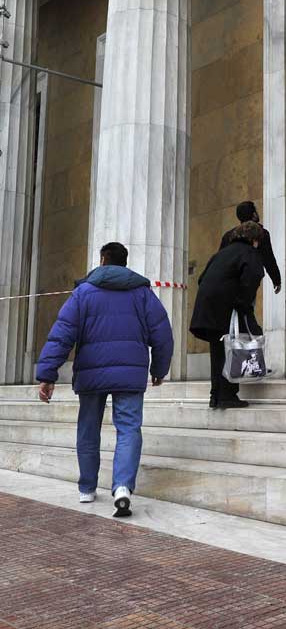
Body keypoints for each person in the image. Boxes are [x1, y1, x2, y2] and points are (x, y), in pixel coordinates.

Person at [36, 242, 174, 518]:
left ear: (102, 260)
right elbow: (163, 334)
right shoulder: (142, 294)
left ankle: (87, 488)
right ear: (124, 262)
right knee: (129, 430)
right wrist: (159, 369)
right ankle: (122, 487)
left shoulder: (83, 293)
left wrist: (47, 374)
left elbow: (62, 334)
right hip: (129, 374)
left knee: (88, 429)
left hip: (91, 374)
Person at [191, 221, 265, 409]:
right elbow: (252, 278)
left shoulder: (221, 253)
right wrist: (242, 303)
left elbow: (201, 279)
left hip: (208, 307)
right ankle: (227, 395)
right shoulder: (249, 253)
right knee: (231, 348)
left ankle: (216, 395)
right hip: (227, 307)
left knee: (218, 351)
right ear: (254, 240)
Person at [220, 200, 281, 294]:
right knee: (244, 307)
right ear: (253, 215)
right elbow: (268, 259)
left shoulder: (228, 236)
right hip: (246, 283)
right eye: (255, 211)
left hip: (228, 283)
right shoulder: (261, 233)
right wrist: (276, 280)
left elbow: (220, 261)